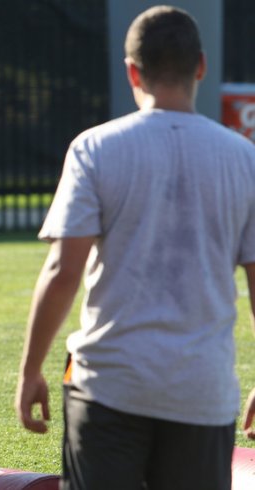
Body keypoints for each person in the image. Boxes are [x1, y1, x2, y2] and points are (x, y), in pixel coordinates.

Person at [14, 6, 255, 490]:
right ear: (201, 67)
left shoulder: (95, 148)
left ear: (131, 71)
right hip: (201, 390)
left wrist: (31, 369)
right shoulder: (244, 158)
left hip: (109, 384)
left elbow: (63, 270)